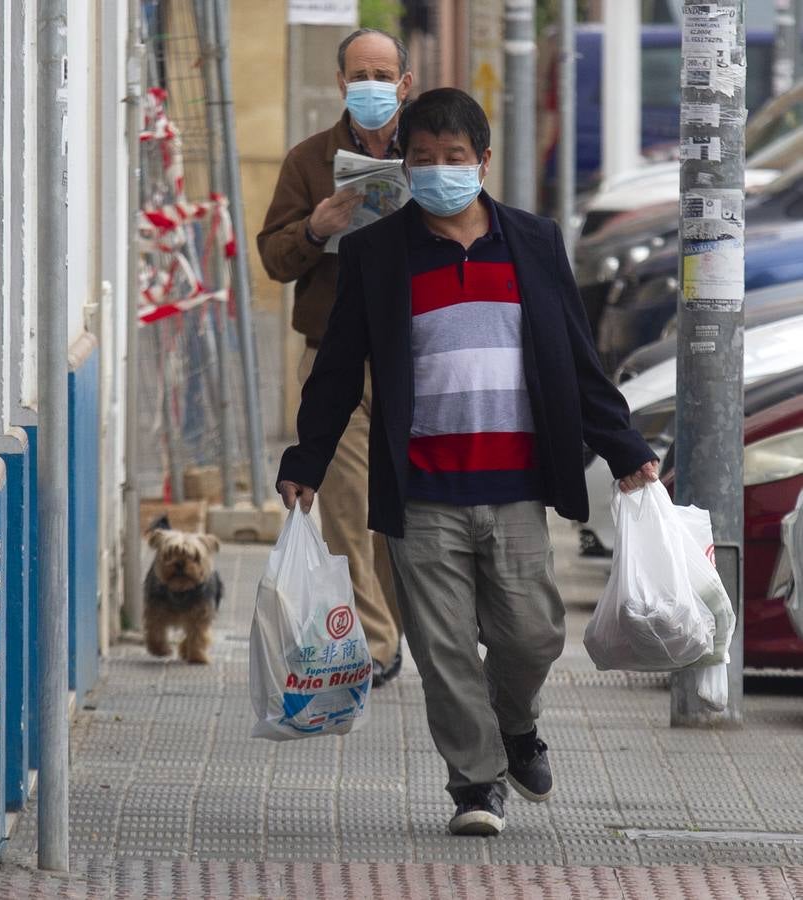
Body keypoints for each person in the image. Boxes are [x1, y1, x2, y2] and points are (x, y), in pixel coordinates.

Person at [276, 88, 659, 837]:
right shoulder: (375, 254)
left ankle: (515, 725)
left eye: (454, 159)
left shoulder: (534, 242)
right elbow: (337, 366)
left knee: (532, 634)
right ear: (404, 165)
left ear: (482, 162)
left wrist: (626, 450)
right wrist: (307, 459)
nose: (439, 172)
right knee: (443, 647)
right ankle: (475, 784)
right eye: (423, 160)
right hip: (420, 489)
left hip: (514, 485)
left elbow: (577, 362)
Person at [258, 28, 413, 687]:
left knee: (401, 509)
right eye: (360, 75)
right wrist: (317, 226)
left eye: (385, 74)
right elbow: (273, 255)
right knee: (348, 501)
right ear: (341, 82)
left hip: (416, 356)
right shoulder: (309, 159)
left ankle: (395, 626)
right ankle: (376, 646)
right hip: (335, 356)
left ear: (404, 83)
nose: (373, 87)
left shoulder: (431, 154)